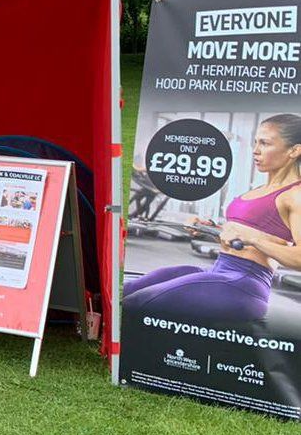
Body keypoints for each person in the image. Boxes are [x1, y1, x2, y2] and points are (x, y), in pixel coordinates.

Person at [123, 114, 301, 323]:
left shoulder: (295, 195)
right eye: (255, 142)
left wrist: (253, 240)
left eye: (265, 143)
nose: (255, 150)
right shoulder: (259, 190)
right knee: (127, 290)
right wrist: (209, 229)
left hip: (243, 285)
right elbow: (239, 240)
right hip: (218, 271)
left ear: (294, 150)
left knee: (135, 304)